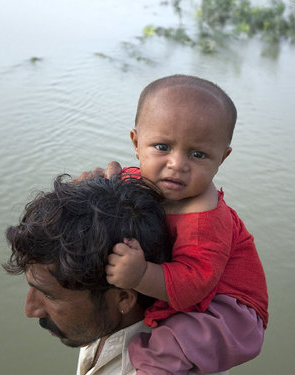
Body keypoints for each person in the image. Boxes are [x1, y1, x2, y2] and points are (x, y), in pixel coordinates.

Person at [104, 75, 269, 374]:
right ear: (137, 143)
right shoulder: (141, 179)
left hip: (228, 311)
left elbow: (194, 284)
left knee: (169, 346)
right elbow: (118, 179)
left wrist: (140, 274)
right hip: (195, 289)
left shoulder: (204, 217)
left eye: (198, 154)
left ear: (222, 158)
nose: (177, 164)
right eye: (163, 146)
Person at [3, 174, 229, 375]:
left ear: (124, 298)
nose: (30, 310)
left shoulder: (161, 366)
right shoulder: (103, 319)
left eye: (49, 295)